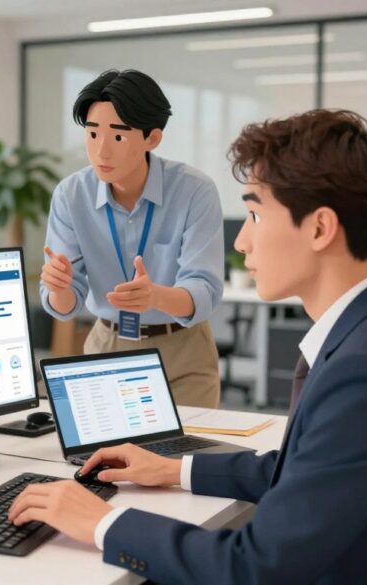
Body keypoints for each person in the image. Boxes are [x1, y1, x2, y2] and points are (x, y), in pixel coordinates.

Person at [9, 110, 367, 585]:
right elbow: (300, 469)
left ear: (320, 228)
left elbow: (252, 568)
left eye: (255, 213)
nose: (241, 240)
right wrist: (175, 469)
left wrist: (101, 523)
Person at [40, 69, 224, 408]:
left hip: (182, 352)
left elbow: (206, 291)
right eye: (92, 135)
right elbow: (65, 308)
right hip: (107, 345)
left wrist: (156, 296)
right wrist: (59, 285)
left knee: (184, 458)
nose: (102, 151)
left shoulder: (194, 191)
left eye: (118, 137)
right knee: (102, 458)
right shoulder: (71, 195)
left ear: (152, 139)